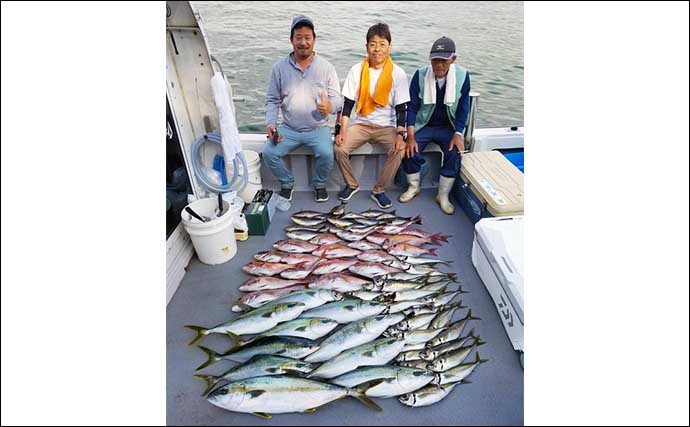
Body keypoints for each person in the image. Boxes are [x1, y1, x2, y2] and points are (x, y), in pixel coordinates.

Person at [263, 15, 343, 202]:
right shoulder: (279, 68)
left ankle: (320, 184)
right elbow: (272, 100)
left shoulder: (327, 67)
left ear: (314, 40)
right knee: (269, 152)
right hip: (288, 128)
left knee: (326, 153)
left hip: (318, 128)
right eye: (298, 37)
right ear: (291, 40)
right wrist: (271, 124)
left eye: (307, 37)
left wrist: (329, 106)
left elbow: (338, 101)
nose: (303, 42)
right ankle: (287, 183)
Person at [334, 23, 410, 209]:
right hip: (362, 124)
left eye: (382, 44)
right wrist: (341, 131)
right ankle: (352, 185)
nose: (377, 49)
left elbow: (401, 109)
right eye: (373, 44)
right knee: (339, 148)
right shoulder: (357, 70)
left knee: (399, 149)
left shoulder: (397, 74)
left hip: (387, 126)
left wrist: (401, 135)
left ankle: (379, 190)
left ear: (389, 47)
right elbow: (348, 106)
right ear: (366, 46)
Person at [399, 36, 471, 215]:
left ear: (453, 59)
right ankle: (413, 187)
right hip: (424, 124)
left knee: (454, 153)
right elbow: (413, 107)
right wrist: (411, 135)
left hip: (448, 126)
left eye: (443, 61)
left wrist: (458, 133)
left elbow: (463, 109)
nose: (439, 65)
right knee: (409, 150)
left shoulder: (463, 76)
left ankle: (443, 194)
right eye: (435, 60)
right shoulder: (420, 74)